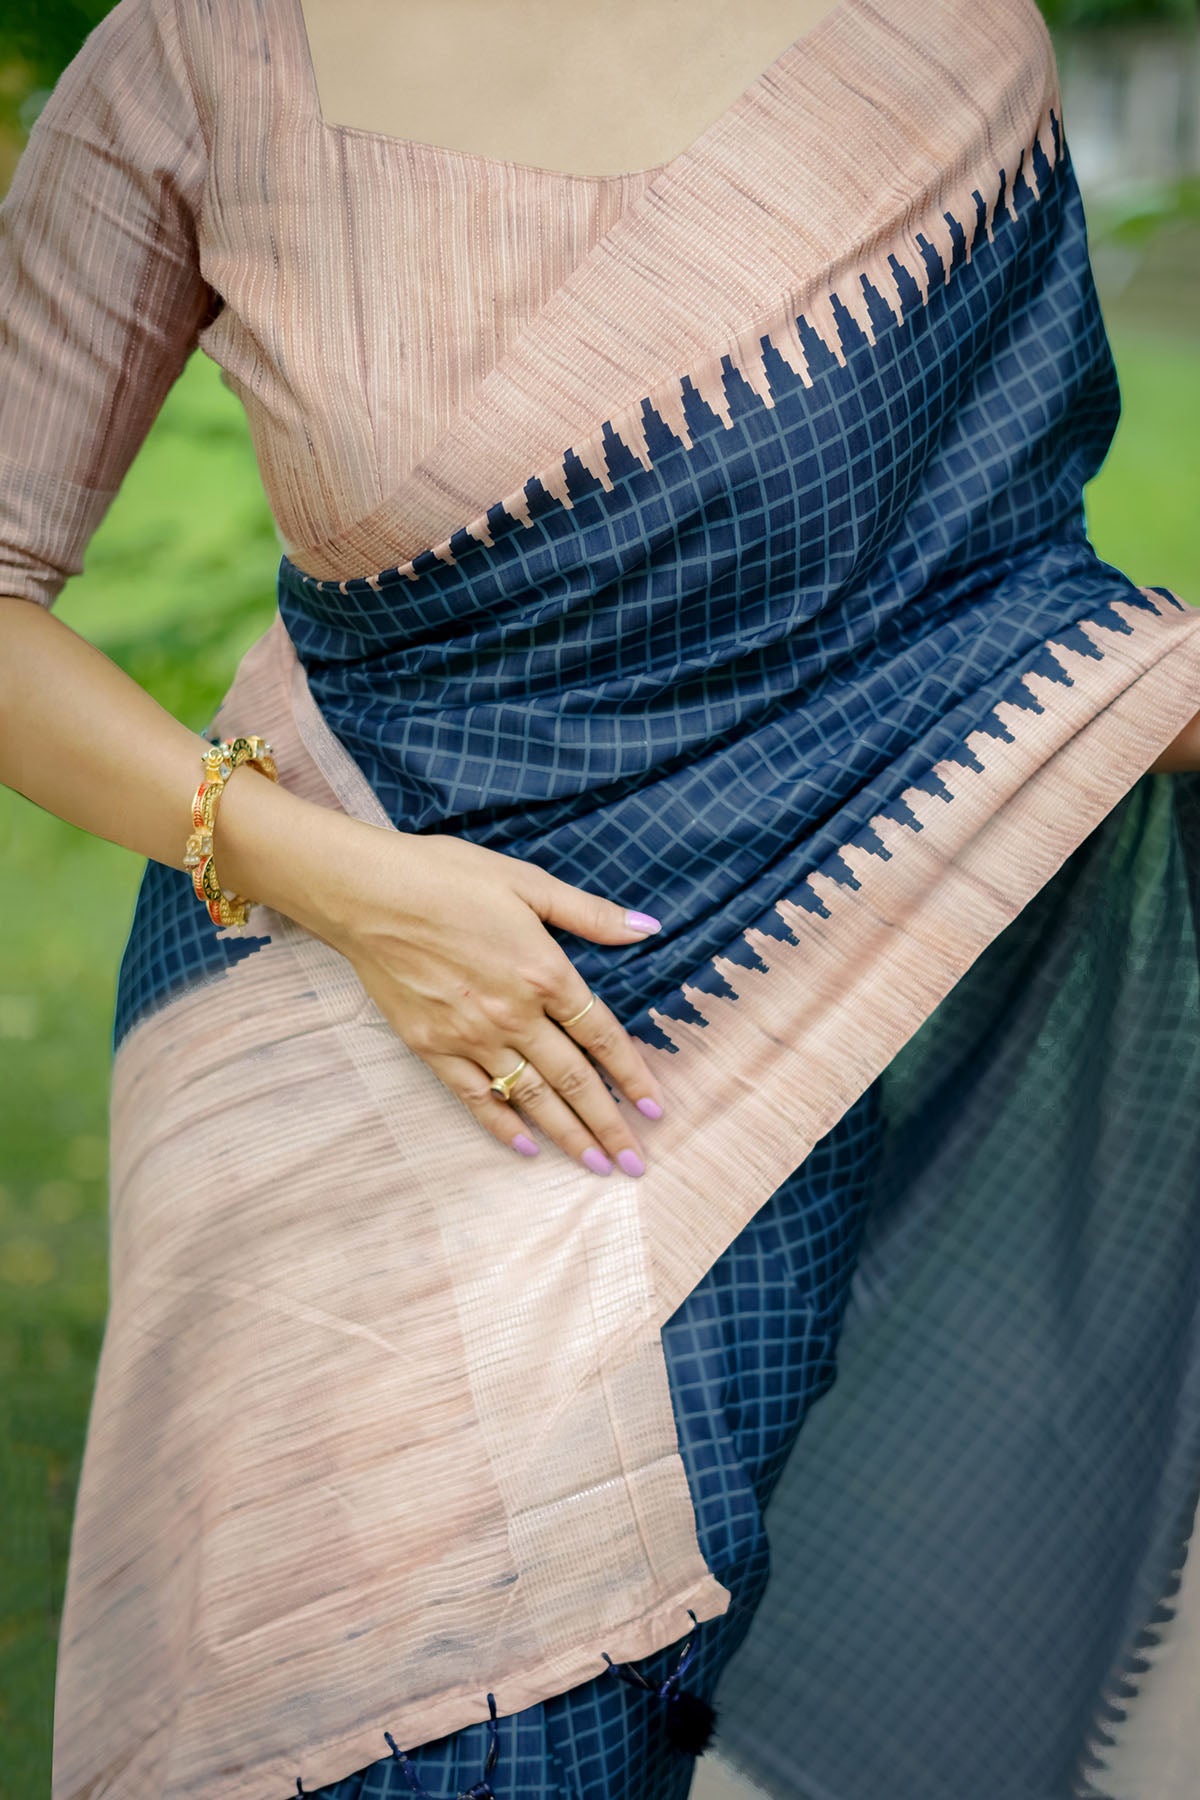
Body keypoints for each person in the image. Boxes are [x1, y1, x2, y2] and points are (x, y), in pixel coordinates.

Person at [3, 1, 1200, 1797]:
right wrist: (349, 890)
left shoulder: (931, 49)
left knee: (594, 1718)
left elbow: (988, 599)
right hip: (310, 1016)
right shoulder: (202, 57)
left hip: (739, 1038)